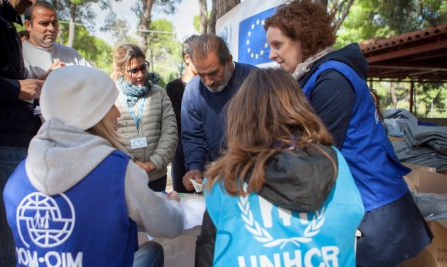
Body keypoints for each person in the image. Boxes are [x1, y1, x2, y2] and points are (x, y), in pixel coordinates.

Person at [264, 1, 432, 266]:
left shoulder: (332, 80)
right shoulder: (314, 76)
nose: (272, 54)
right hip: (361, 202)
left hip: (372, 207)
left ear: (304, 40)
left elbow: (317, 152)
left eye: (278, 44)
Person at [3, 65, 184, 266]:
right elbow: (170, 225)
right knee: (153, 250)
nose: (118, 114)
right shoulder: (117, 171)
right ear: (94, 115)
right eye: (111, 106)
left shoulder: (18, 175)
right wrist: (174, 204)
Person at [195, 67, 365, 266]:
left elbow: (208, 250)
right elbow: (350, 217)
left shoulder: (226, 176)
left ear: (241, 114)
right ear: (300, 107)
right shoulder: (334, 161)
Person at [0, 0, 44, 265]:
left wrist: (34, 83)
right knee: (8, 241)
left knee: (21, 236)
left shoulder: (0, 18)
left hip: (11, 139)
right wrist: (13, 88)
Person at [180, 34, 257, 192]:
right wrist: (194, 167)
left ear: (228, 60)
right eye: (202, 74)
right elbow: (193, 137)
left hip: (256, 171)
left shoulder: (255, 80)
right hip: (218, 175)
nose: (209, 81)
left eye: (214, 73)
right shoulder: (193, 90)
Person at [111, 44, 177, 192]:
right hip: (125, 174)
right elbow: (108, 135)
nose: (140, 74)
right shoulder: (111, 95)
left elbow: (170, 131)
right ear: (121, 71)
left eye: (143, 67)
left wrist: (154, 163)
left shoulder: (159, 94)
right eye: (133, 71)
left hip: (156, 175)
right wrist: (131, 162)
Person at [23, 0, 91, 79]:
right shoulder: (18, 55)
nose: (51, 28)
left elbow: (93, 80)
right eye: (44, 23)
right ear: (28, 25)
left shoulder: (71, 54)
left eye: (54, 23)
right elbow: (16, 89)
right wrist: (49, 77)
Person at [165, 35, 199, 193]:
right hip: (182, 153)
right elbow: (178, 123)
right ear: (187, 58)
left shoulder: (210, 85)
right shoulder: (173, 88)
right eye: (199, 57)